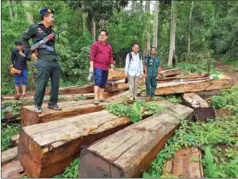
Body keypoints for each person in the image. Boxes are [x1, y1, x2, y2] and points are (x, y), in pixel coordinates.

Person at [22, 8, 62, 113]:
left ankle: (53, 103)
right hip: (43, 59)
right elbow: (24, 38)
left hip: (54, 59)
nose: (53, 18)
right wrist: (29, 52)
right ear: (45, 17)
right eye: (51, 16)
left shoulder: (52, 31)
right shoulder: (34, 28)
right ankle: (37, 105)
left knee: (56, 83)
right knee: (42, 83)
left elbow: (51, 46)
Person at [89, 30, 115, 104]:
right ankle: (96, 98)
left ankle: (101, 97)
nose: (102, 36)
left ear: (107, 37)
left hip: (105, 67)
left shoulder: (109, 47)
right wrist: (91, 67)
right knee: (98, 80)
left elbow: (110, 57)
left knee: (103, 81)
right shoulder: (96, 44)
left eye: (103, 35)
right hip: (97, 66)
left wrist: (112, 66)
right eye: (101, 35)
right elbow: (92, 56)